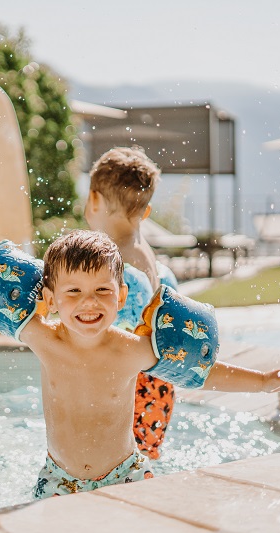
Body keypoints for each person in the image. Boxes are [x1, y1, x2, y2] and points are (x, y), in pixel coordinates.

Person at [0, 228, 280, 498]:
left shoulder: (131, 349)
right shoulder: (42, 337)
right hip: (60, 478)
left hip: (126, 475)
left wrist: (263, 382)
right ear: (50, 299)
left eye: (102, 291)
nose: (88, 303)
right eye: (73, 292)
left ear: (121, 296)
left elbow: (197, 372)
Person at [84, 146, 178, 459]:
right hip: (158, 386)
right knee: (138, 462)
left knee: (102, 463)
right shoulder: (146, 254)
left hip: (125, 388)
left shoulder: (112, 262)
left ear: (94, 199)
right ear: (146, 211)